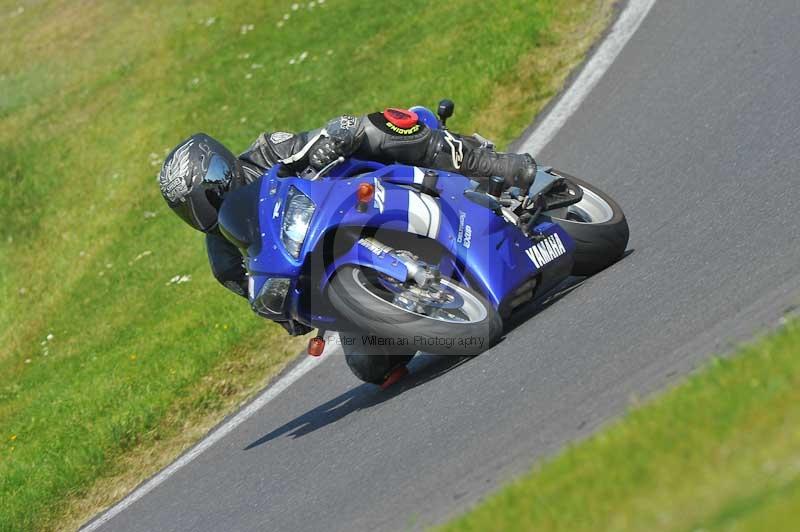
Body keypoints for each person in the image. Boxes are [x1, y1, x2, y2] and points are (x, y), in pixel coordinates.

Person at [157, 108, 537, 334]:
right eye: (190, 209)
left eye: (206, 195)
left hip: (357, 195)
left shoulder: (266, 150)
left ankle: (489, 165)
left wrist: (330, 139)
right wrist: (284, 309)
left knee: (376, 127)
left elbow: (325, 136)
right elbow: (285, 316)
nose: (207, 209)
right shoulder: (224, 259)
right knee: (368, 367)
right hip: (333, 265)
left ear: (221, 169)